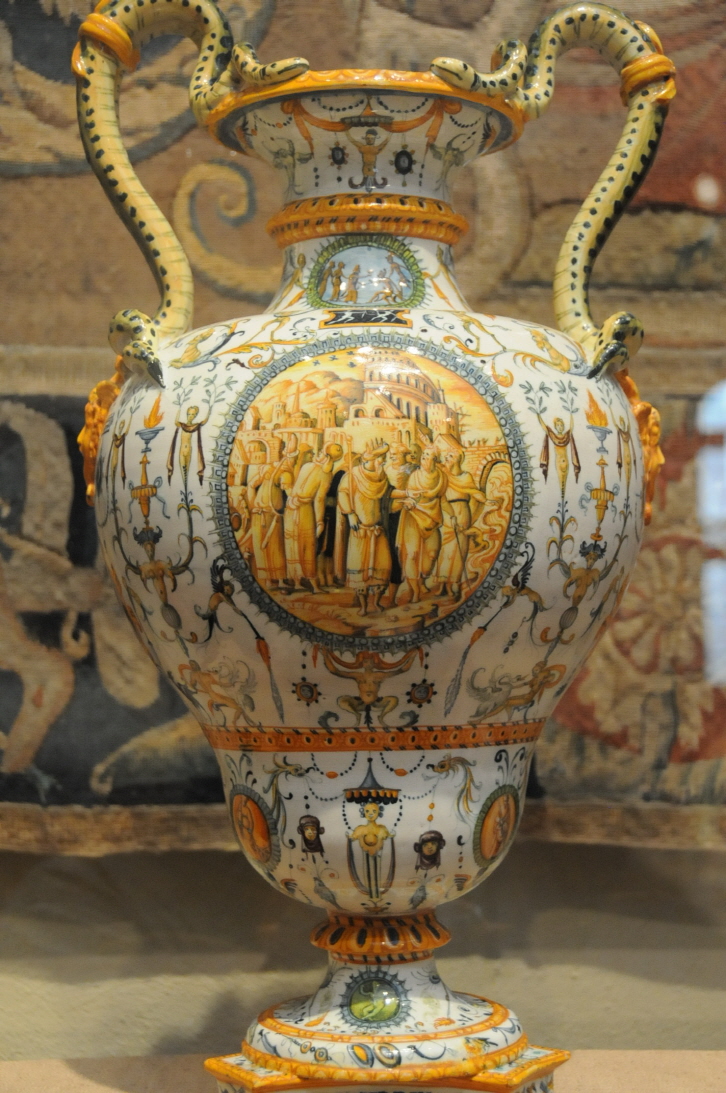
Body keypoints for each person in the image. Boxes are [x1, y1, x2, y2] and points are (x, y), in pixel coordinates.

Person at [337, 441, 392, 616]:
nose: (383, 461)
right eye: (381, 458)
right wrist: (350, 514)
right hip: (360, 530)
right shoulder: (353, 475)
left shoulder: (382, 477)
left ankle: (376, 603)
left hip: (377, 529)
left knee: (381, 566)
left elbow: (388, 497)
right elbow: (343, 494)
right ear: (372, 459)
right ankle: (363, 606)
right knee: (359, 567)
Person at [392, 445, 447, 604]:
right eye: (424, 455)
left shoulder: (441, 477)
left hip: (432, 518)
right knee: (412, 554)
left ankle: (421, 581)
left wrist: (453, 516)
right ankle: (415, 590)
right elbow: (411, 496)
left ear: (435, 459)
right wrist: (409, 503)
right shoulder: (414, 476)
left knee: (432, 554)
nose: (424, 458)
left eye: (429, 455)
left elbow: (442, 499)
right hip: (413, 516)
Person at [283, 443, 342, 592]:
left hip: (301, 508)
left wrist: (319, 520)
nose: (317, 454)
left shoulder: (323, 473)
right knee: (297, 545)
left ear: (327, 457)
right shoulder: (309, 466)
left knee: (305, 545)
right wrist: (319, 521)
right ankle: (298, 581)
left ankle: (310, 583)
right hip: (295, 508)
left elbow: (319, 499)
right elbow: (315, 497)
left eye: (321, 452)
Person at [432, 447, 488, 601]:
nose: (446, 458)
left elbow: (474, 492)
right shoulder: (443, 475)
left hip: (462, 510)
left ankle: (452, 584)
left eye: (450, 456)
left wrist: (486, 500)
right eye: (446, 456)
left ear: (457, 459)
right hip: (446, 512)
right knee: (444, 548)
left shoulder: (465, 476)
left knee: (458, 548)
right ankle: (441, 584)